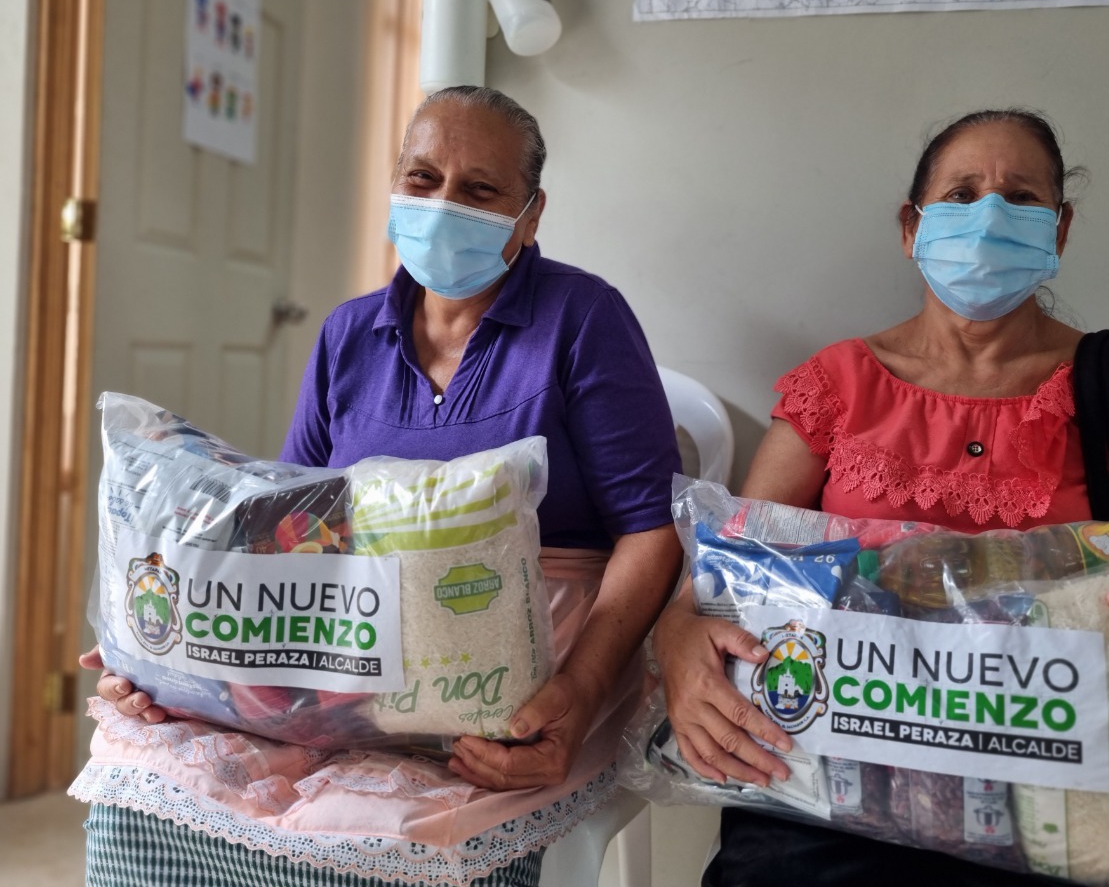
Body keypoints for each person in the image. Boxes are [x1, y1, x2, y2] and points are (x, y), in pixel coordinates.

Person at [652, 108, 1109, 886]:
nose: (990, 216)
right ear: (911, 227)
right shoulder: (836, 385)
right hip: (839, 787)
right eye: (961, 194)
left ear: (1060, 228)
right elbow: (728, 580)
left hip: (1072, 786)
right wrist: (675, 637)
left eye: (1021, 197)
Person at [75, 86, 684, 887]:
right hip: (351, 641)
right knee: (149, 780)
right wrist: (173, 654)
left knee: (391, 836)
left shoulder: (583, 319)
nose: (443, 205)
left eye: (480, 190)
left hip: (529, 656)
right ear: (395, 185)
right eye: (423, 178)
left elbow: (652, 529)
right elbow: (289, 531)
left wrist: (579, 692)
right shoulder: (347, 334)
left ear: (530, 215)